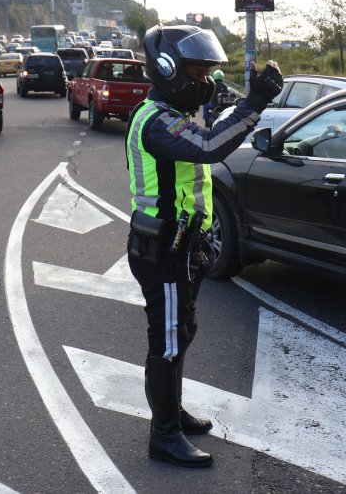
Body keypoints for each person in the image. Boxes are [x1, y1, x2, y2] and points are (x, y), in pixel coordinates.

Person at [125, 25, 282, 468]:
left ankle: (170, 411)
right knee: (168, 340)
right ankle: (164, 435)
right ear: (169, 70)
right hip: (163, 250)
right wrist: (255, 103)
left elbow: (211, 129)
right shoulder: (156, 120)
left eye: (210, 72)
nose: (208, 80)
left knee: (183, 331)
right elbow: (211, 146)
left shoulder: (178, 111)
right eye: (199, 71)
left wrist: (233, 103)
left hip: (184, 248)